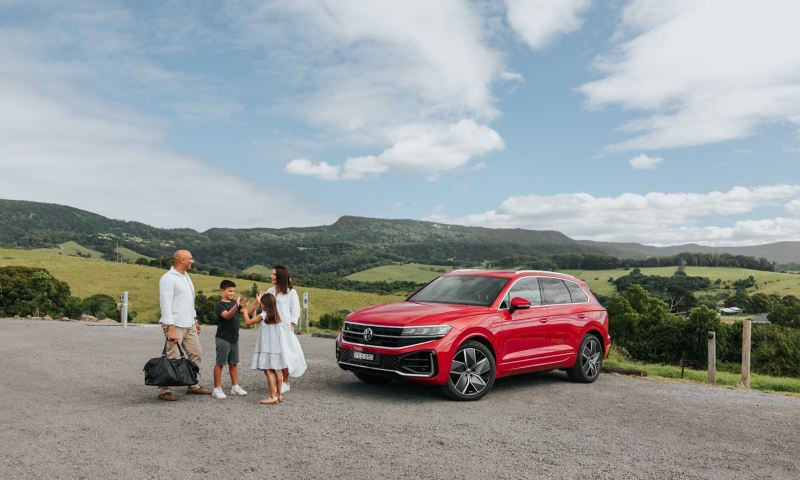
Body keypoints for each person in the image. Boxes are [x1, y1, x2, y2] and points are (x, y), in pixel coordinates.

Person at [157, 249, 211, 401]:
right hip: (175, 324)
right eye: (190, 259)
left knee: (196, 353)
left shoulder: (186, 276)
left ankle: (192, 384)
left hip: (189, 323)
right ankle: (164, 389)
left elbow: (189, 301)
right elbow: (165, 304)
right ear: (181, 260)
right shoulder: (168, 278)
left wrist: (195, 320)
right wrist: (170, 327)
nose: (192, 261)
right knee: (172, 357)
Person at [268, 265, 307, 392]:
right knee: (273, 355)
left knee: (285, 354)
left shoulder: (291, 292)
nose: (271, 276)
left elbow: (295, 310)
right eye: (272, 274)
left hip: (284, 329)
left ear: (281, 276)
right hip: (271, 328)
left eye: (274, 274)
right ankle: (277, 380)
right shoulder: (269, 291)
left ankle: (285, 382)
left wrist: (292, 325)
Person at [243, 293, 285, 405]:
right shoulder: (277, 315)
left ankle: (272, 397)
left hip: (267, 348)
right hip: (276, 348)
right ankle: (279, 395)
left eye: (261, 303)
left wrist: (245, 310)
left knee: (268, 371)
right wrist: (259, 300)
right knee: (277, 371)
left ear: (264, 305)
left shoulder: (264, 315)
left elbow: (248, 322)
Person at [211, 280, 248, 399]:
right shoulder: (219, 305)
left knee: (233, 363)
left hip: (234, 339)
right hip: (223, 338)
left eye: (234, 291)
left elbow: (247, 312)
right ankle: (216, 389)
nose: (232, 293)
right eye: (230, 291)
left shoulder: (234, 303)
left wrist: (257, 303)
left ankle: (235, 387)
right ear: (222, 291)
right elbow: (227, 316)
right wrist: (236, 306)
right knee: (220, 363)